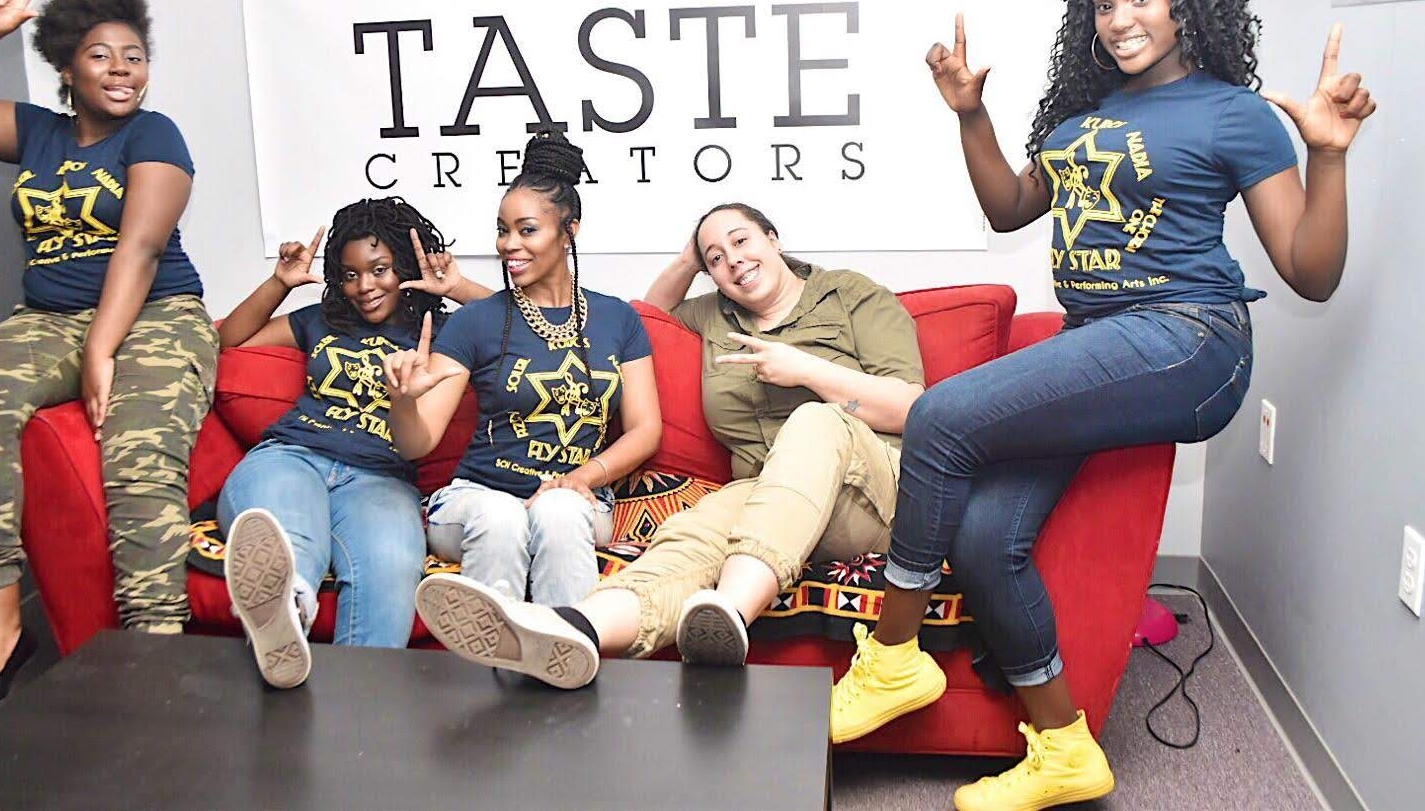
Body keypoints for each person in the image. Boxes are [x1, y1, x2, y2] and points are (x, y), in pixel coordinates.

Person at [830, 0, 1377, 811]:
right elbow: (1011, 207)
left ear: (1185, 0)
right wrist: (969, 115)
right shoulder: (1079, 122)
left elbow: (1310, 273)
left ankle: (892, 655)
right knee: (985, 536)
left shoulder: (1232, 113)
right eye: (1103, 3)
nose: (1121, 19)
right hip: (1101, 339)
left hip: (1189, 338)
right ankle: (1064, 749)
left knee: (940, 419)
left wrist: (1326, 155)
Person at [411, 201, 927, 692]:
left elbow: (911, 409)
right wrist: (688, 260)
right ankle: (570, 630)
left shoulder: (851, 295)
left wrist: (807, 371)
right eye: (716, 258)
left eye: (742, 241)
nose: (733, 261)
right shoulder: (715, 314)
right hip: (766, 494)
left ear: (773, 239)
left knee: (815, 420)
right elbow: (634, 319)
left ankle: (733, 608)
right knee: (691, 534)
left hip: (870, 493)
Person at [0, 0, 220, 722]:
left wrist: (101, 349)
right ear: (66, 68)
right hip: (50, 317)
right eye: (101, 55)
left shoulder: (154, 134)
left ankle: (155, 650)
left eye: (134, 56)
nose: (122, 69)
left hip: (156, 314)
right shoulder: (38, 134)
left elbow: (141, 248)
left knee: (138, 450)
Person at [381, 131, 661, 615]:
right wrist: (403, 400)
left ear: (569, 231)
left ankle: (567, 649)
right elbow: (416, 444)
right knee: (502, 515)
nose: (508, 245)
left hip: (577, 500)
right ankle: (491, 653)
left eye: (526, 230)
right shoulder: (476, 321)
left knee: (558, 509)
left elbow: (645, 429)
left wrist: (581, 477)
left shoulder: (619, 319)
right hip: (477, 500)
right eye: (502, 230)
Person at [218, 198, 491, 688]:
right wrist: (279, 283)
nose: (364, 287)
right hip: (294, 456)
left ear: (404, 267)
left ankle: (361, 702)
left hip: (380, 479)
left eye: (379, 270)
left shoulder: (445, 331)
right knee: (291, 541)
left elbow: (528, 329)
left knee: (391, 568)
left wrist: (459, 288)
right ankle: (285, 613)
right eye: (350, 275)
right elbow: (231, 340)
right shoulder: (320, 320)